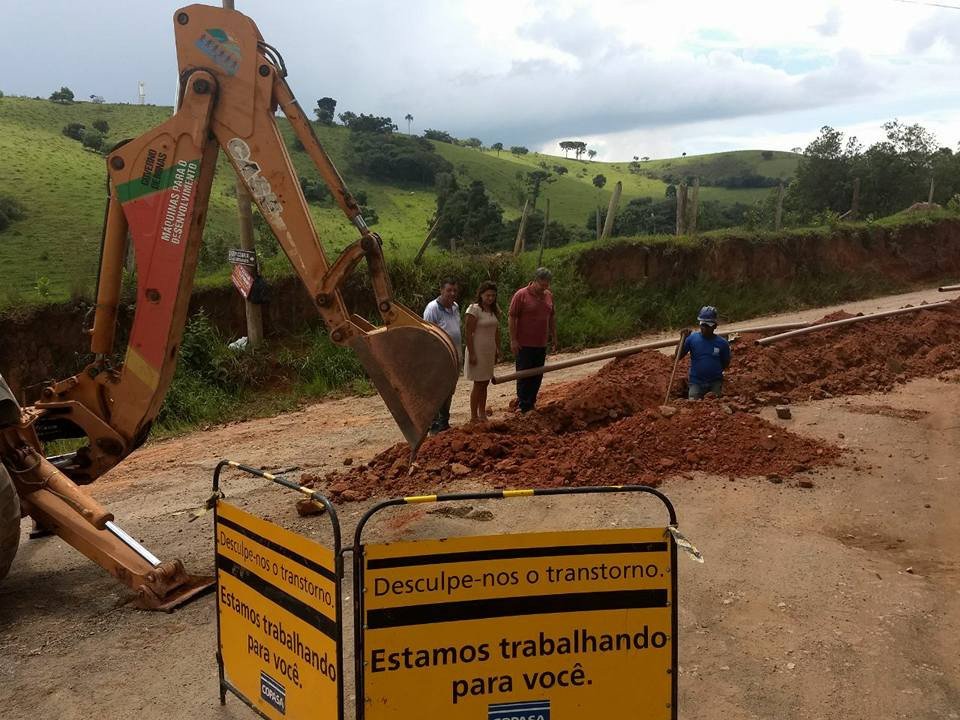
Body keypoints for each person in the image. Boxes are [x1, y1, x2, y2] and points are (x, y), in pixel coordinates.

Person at [508, 267, 557, 412]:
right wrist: (513, 340)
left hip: (541, 343)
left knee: (537, 375)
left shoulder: (548, 296)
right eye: (542, 284)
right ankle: (523, 406)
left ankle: (531, 403)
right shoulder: (521, 295)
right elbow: (512, 317)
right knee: (524, 376)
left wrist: (554, 336)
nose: (544, 288)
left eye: (546, 285)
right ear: (535, 280)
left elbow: (551, 317)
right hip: (524, 344)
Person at [423, 277, 461, 433]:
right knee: (436, 391)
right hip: (438, 359)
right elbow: (426, 335)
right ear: (441, 290)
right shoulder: (432, 309)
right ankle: (433, 425)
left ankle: (444, 422)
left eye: (454, 290)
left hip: (454, 356)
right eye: (449, 290)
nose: (452, 293)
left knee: (449, 391)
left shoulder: (455, 307)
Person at [464, 281, 501, 422]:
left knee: (485, 382)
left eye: (493, 295)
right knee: (478, 383)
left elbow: (496, 331)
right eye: (487, 295)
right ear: (481, 295)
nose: (490, 298)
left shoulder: (494, 310)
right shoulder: (474, 309)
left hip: (489, 351)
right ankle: (474, 416)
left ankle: (482, 413)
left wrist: (498, 349)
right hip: (477, 350)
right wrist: (472, 353)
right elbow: (468, 332)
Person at [679, 305, 731, 399]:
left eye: (707, 325)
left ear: (714, 326)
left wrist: (714, 371)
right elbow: (677, 356)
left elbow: (725, 362)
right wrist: (682, 340)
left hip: (715, 382)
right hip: (696, 382)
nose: (704, 328)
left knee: (716, 404)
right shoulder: (692, 339)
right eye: (702, 324)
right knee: (692, 404)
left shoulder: (722, 343)